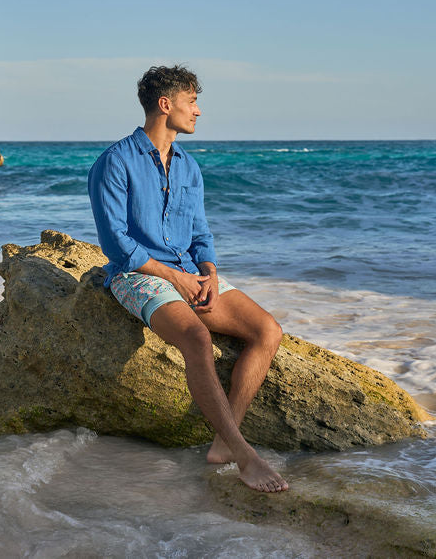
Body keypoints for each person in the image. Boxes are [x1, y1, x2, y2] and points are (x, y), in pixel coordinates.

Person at [88, 65, 288, 493]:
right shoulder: (114, 162)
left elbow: (200, 235)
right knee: (197, 339)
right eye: (191, 101)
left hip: (187, 273)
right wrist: (175, 278)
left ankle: (222, 441)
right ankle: (244, 454)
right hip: (137, 274)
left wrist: (210, 273)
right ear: (166, 105)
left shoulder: (188, 168)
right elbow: (116, 243)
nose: (198, 111)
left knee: (267, 331)